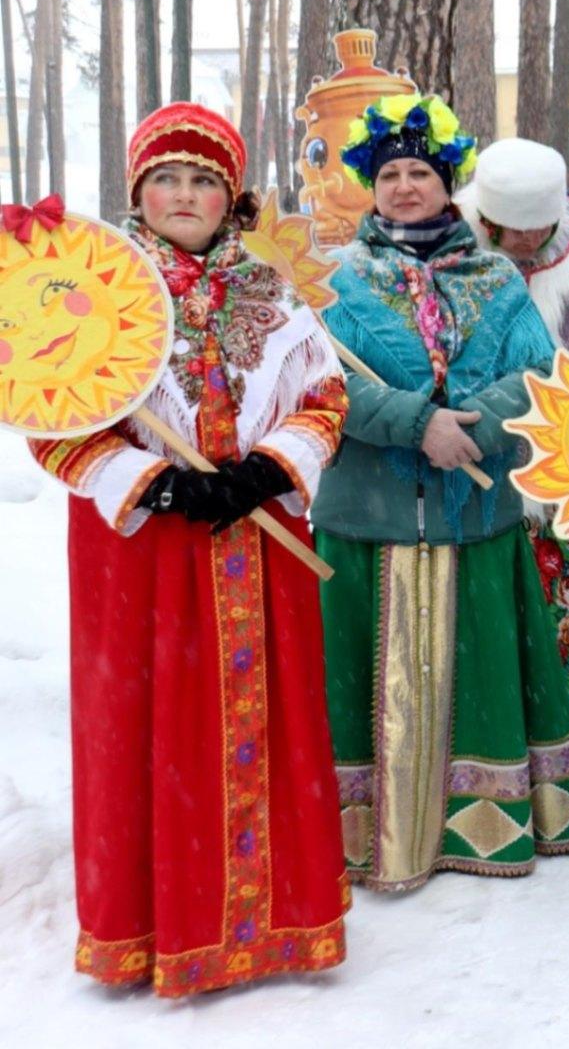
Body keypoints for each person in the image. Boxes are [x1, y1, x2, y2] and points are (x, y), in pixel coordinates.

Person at [30, 104, 350, 995]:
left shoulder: (274, 293)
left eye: (203, 180)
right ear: (138, 190)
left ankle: (273, 917)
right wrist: (150, 480)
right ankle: (151, 923)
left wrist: (267, 469)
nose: (184, 194)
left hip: (263, 538)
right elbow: (50, 419)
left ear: (230, 196)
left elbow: (323, 401)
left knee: (271, 713)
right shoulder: (97, 291)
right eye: (166, 178)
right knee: (149, 718)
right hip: (143, 552)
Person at [313, 94, 569, 891]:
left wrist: (474, 428)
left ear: (449, 185)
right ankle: (371, 831)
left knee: (477, 671)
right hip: (368, 514)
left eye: (422, 173)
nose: (406, 186)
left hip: (475, 513)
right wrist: (415, 423)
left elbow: (542, 372)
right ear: (372, 185)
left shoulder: (497, 277)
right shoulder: (335, 281)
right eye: (392, 173)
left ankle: (481, 823)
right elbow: (320, 386)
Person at [464, 138, 569, 726]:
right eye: (511, 228)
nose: (528, 242)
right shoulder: (454, 258)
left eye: (539, 227)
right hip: (476, 451)